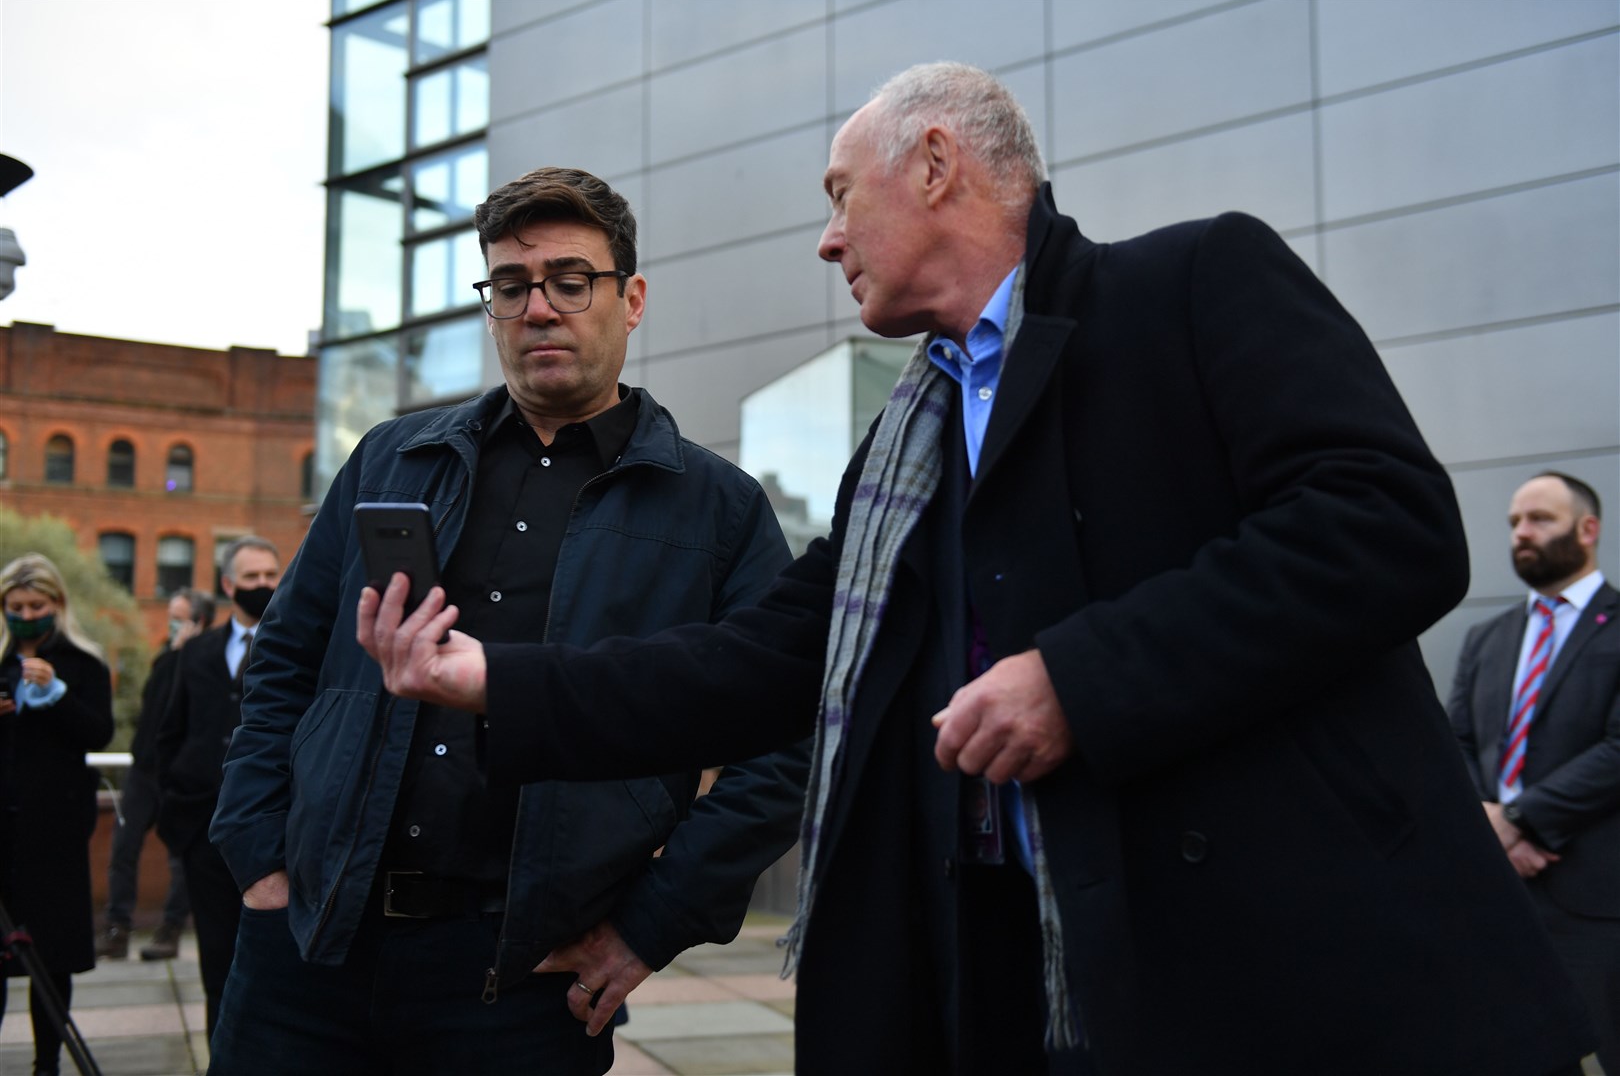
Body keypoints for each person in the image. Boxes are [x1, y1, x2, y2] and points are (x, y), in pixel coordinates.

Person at [359, 63, 1600, 1075]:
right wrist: (496, 684)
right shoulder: (901, 445)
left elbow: (1389, 525)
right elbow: (758, 664)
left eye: (844, 194)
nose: (828, 239)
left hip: (1277, 979)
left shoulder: (1193, 283)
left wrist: (1079, 680)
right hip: (996, 979)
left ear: (939, 163)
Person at [207, 166, 807, 1074]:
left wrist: (649, 925)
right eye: (512, 285)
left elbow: (787, 738)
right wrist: (257, 854)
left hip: (523, 980)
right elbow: (284, 662)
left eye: (571, 281)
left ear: (631, 299)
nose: (539, 308)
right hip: (308, 953)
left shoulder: (717, 511)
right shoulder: (390, 461)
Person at [1450, 471, 1620, 1073]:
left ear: (1588, 529)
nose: (1522, 533)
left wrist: (1520, 820)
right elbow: (1458, 744)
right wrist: (1492, 823)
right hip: (1504, 899)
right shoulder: (1487, 639)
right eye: (1515, 523)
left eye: (1540, 519)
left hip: (1598, 904)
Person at [155, 536, 280, 1041]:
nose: (263, 586)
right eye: (251, 578)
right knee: (215, 961)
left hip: (274, 833)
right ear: (228, 585)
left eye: (271, 575)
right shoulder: (198, 651)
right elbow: (169, 732)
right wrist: (175, 814)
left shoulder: (297, 642)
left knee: (272, 967)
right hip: (202, 829)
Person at [0, 552, 114, 1076]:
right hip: (3, 827)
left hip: (55, 831)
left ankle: (47, 1063)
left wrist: (57, 696)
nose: (26, 614)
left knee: (52, 957)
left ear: (57, 605)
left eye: (36, 604)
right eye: (16, 605)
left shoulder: (83, 664)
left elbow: (98, 733)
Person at [96, 587, 212, 963]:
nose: (171, 623)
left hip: (177, 774)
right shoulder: (165, 659)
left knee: (180, 857)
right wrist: (175, 654)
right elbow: (154, 705)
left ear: (200, 623)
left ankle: (171, 929)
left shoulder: (205, 663)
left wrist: (185, 654)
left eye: (180, 616)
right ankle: (117, 928)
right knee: (124, 848)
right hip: (144, 770)